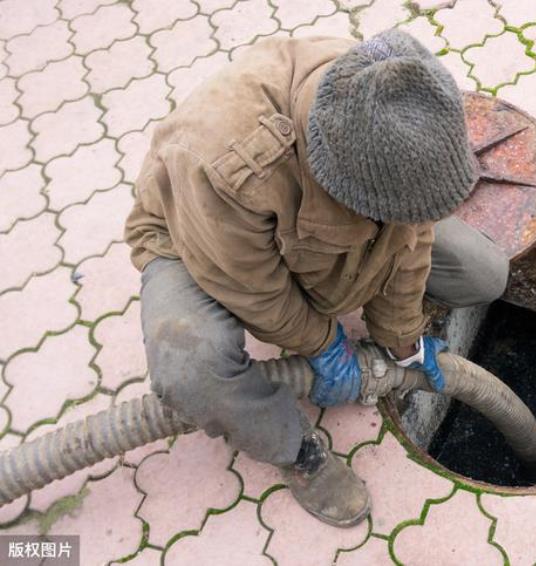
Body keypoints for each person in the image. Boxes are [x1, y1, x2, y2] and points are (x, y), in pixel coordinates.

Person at [123, 28, 510, 528]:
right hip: (197, 236)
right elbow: (251, 285)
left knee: (483, 274)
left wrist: (402, 339)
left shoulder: (388, 96)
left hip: (317, 224)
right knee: (190, 370)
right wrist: (323, 344)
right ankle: (294, 451)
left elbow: (409, 237)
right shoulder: (226, 161)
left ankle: (355, 305)